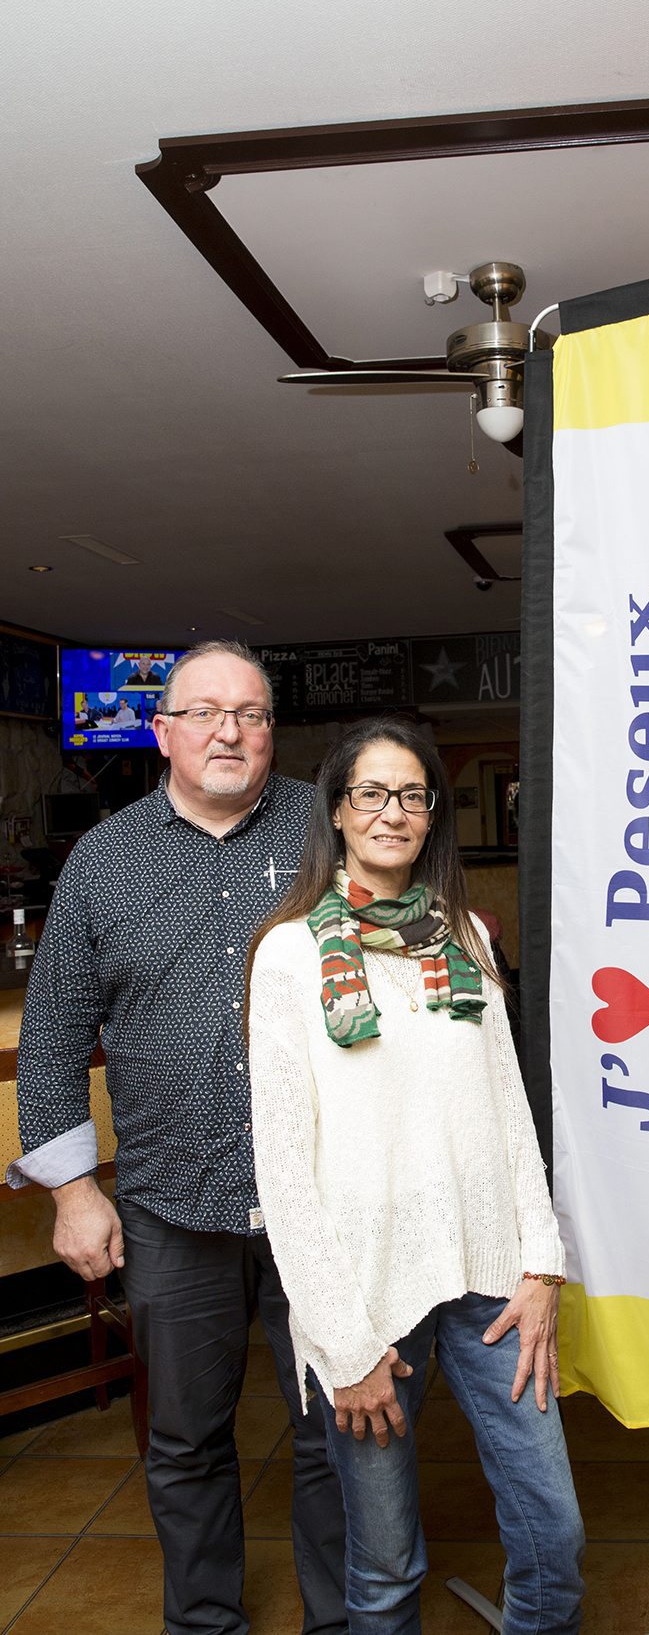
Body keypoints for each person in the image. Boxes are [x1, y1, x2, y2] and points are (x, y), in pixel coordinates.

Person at [9, 639, 347, 1635]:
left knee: (338, 1429)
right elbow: (55, 1031)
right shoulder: (103, 861)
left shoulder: (327, 830)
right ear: (163, 731)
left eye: (249, 712)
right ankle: (204, 1622)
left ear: (271, 730)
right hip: (169, 1201)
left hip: (320, 1199)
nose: (228, 730)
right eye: (204, 711)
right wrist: (74, 1189)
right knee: (187, 1438)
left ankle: (347, 1619)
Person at [246, 716, 585, 1635]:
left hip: (491, 1282)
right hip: (367, 1300)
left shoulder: (465, 938)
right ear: (339, 812)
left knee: (553, 1532)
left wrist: (541, 1265)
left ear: (431, 816)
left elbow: (511, 1113)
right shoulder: (288, 955)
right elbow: (280, 1165)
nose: (393, 812)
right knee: (387, 1570)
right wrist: (340, 1344)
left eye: (411, 795)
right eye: (372, 793)